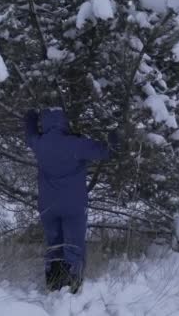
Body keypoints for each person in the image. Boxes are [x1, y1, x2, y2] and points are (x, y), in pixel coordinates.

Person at [24, 107, 117, 293]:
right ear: (64, 121)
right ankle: (72, 286)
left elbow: (29, 135)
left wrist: (30, 117)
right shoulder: (76, 144)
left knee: (54, 244)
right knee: (73, 245)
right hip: (73, 206)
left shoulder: (40, 144)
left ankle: (53, 283)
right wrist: (115, 131)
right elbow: (107, 152)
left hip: (47, 206)